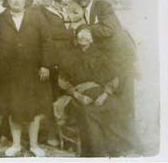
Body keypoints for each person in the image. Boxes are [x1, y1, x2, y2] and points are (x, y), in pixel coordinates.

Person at [0, 0, 54, 157]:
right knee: (13, 108)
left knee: (35, 109)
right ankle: (16, 144)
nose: (16, 0)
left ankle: (34, 145)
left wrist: (45, 65)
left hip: (34, 71)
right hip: (8, 72)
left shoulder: (37, 17)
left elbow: (47, 41)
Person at [56, 25, 137, 156]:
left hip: (100, 92)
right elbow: (62, 81)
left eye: (87, 34)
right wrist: (77, 95)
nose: (83, 36)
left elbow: (113, 77)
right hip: (77, 96)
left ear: (92, 38)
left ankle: (116, 148)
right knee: (88, 112)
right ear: (76, 36)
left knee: (114, 106)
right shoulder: (68, 56)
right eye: (80, 33)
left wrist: (105, 95)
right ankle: (97, 153)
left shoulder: (100, 55)